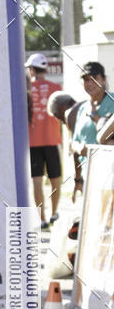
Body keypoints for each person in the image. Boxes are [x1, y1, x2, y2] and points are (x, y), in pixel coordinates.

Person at [25, 53, 63, 229]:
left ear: (32, 70)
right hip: (52, 139)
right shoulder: (56, 87)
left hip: (32, 142)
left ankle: (42, 219)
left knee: (37, 181)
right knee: (55, 178)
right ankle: (54, 214)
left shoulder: (25, 90)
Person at [71, 61, 114, 192]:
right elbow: (74, 141)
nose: (89, 83)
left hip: (110, 177)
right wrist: (80, 148)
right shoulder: (82, 108)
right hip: (88, 176)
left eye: (94, 78)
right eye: (86, 79)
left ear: (104, 79)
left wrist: (97, 118)